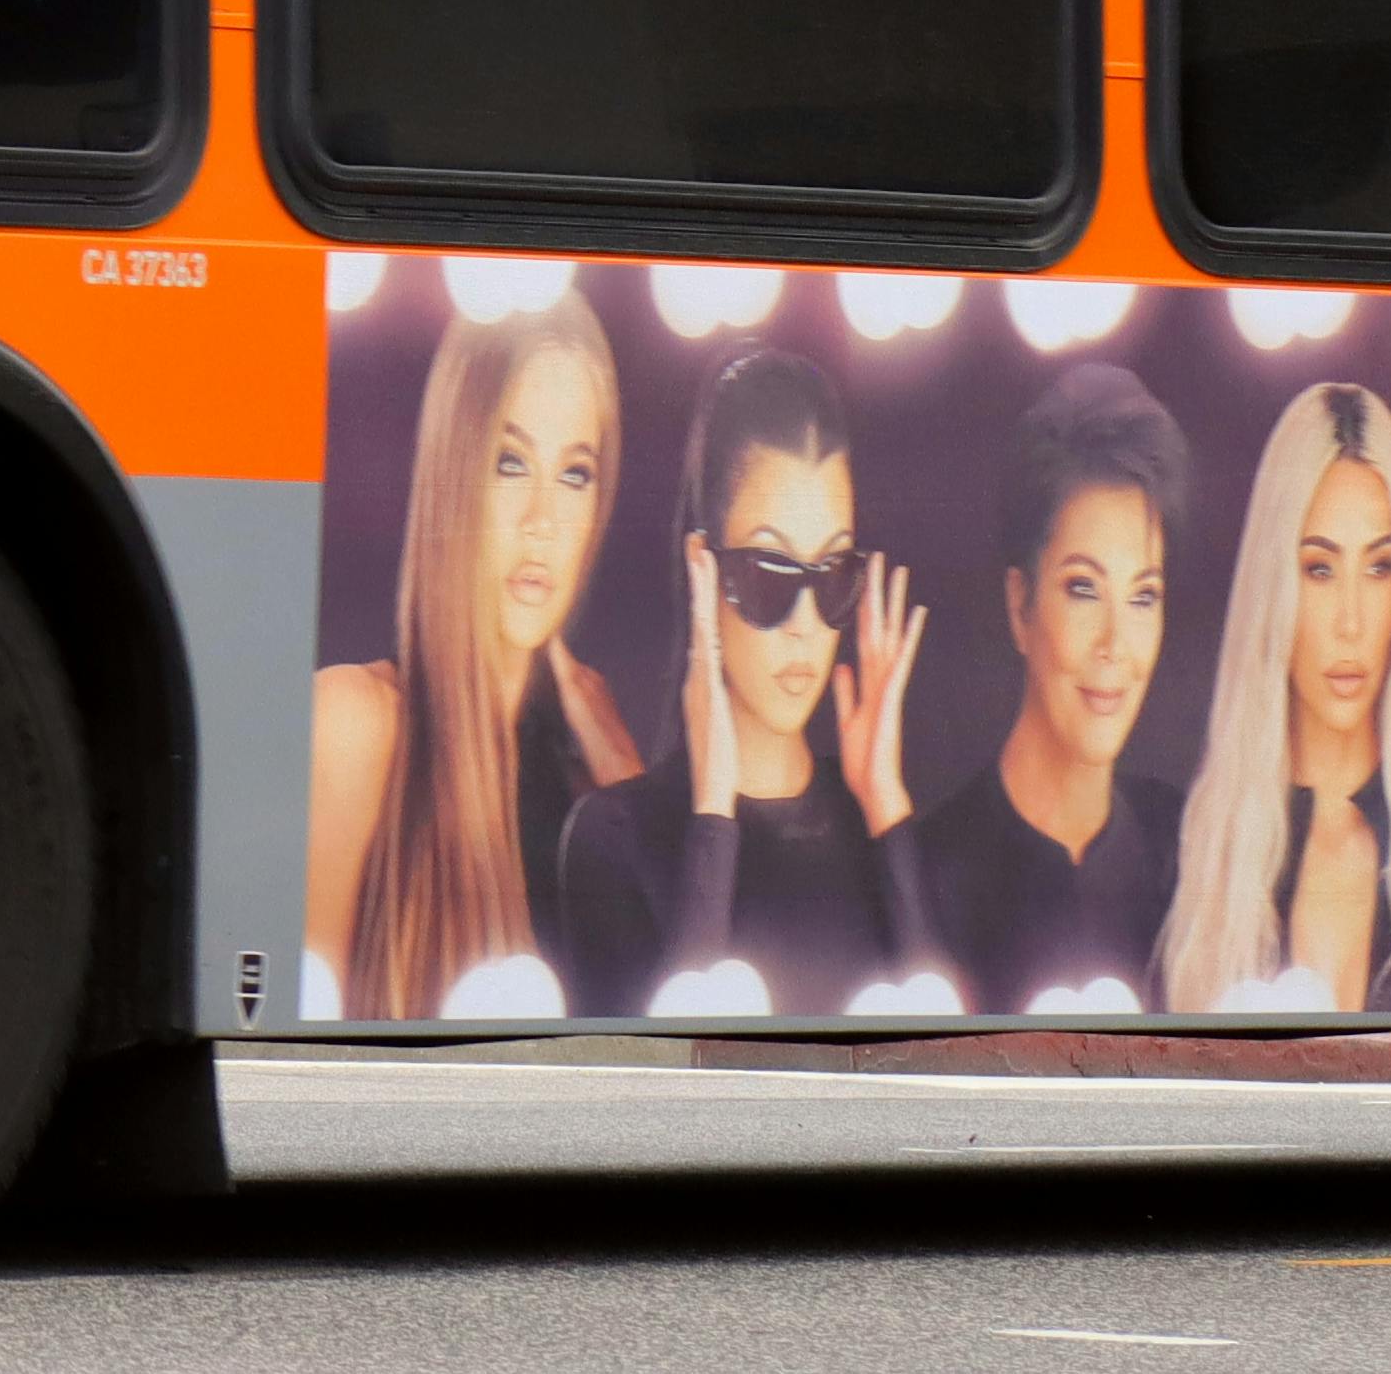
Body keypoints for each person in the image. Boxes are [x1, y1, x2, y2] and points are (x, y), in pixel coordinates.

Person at [549, 346, 949, 1014]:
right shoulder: (613, 837)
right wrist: (713, 817)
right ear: (703, 568)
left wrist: (885, 806)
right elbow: (652, 1093)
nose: (802, 622)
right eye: (769, 573)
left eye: (831, 575)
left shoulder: (884, 828)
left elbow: (958, 1063)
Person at [309, 299, 646, 1019]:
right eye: (510, 461)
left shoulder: (595, 782)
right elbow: (290, 1067)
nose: (542, 521)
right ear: (453, 470)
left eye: (575, 474)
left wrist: (632, 799)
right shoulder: (356, 724)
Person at [1156, 382, 1391, 1012]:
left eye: (1379, 568)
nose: (1350, 621)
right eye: (1319, 568)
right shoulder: (1197, 857)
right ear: (1273, 584)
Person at [908, 364, 1190, 1010]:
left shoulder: (1187, 853)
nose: (1115, 643)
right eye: (1083, 587)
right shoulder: (933, 874)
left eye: (1144, 595)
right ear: (1019, 605)